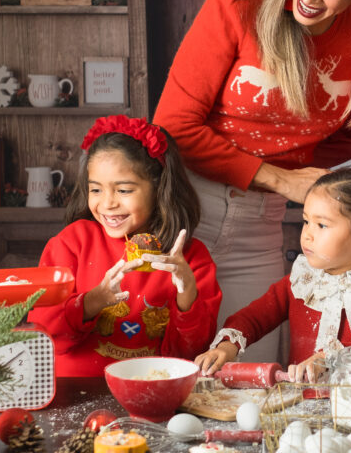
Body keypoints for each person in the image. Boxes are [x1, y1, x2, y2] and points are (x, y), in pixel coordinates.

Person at [154, 0, 351, 362]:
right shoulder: (239, 0)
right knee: (172, 368)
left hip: (262, 228)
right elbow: (173, 128)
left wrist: (300, 177)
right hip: (187, 209)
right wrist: (282, 178)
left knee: (251, 379)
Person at [28, 115, 222, 376]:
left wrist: (186, 292)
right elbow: (46, 337)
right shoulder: (70, 244)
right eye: (96, 190)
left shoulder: (190, 258)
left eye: (123, 190)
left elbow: (190, 354)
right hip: (75, 392)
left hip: (154, 394)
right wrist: (93, 301)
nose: (107, 203)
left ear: (158, 188)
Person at [193, 167, 351, 382]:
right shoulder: (303, 281)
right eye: (306, 221)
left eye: (321, 225)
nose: (308, 235)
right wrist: (228, 346)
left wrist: (326, 359)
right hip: (299, 405)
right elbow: (254, 317)